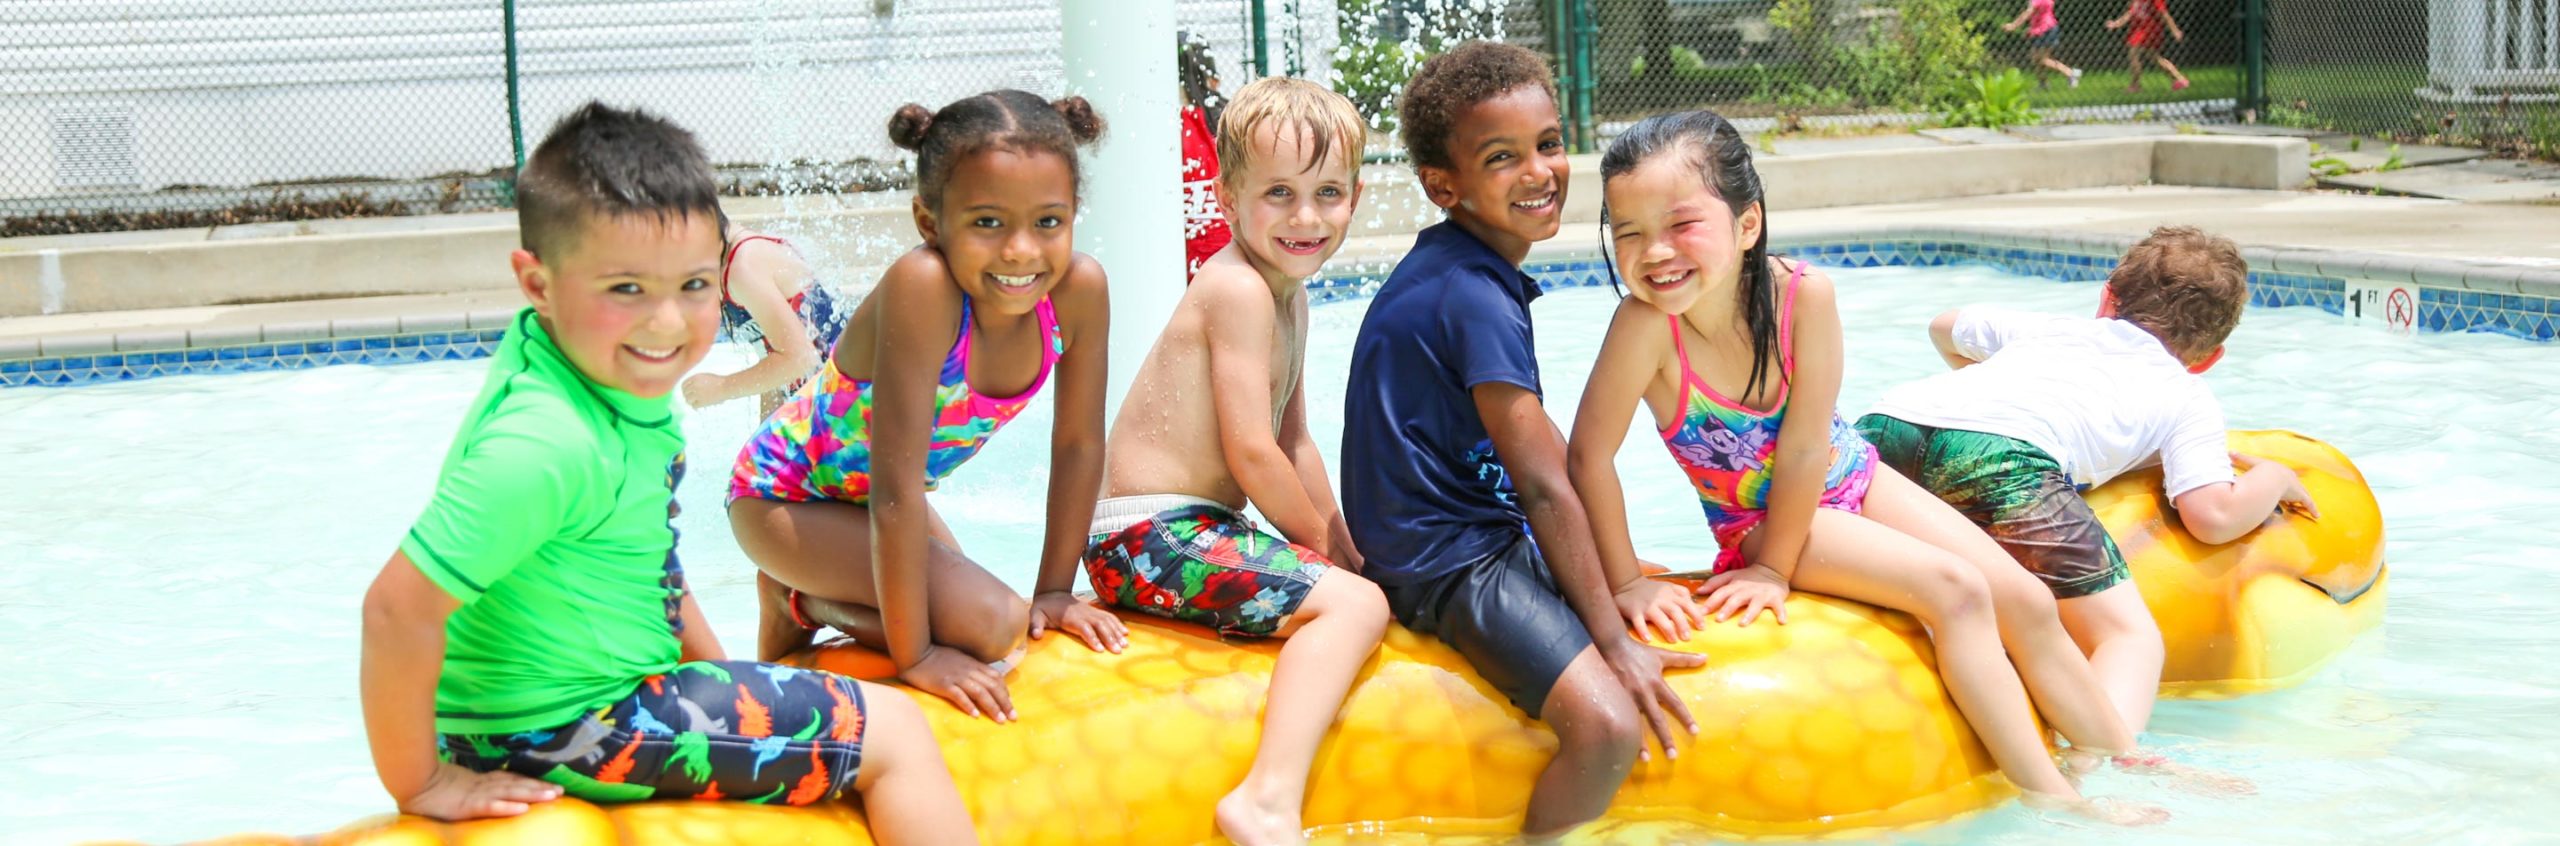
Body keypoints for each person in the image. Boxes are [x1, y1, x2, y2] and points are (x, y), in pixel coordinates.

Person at [358, 102, 971, 843]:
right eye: (625, 289)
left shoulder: (592, 375)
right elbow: (395, 609)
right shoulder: (544, 441)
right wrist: (421, 782)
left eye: (692, 286)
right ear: (537, 283)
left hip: (560, 709)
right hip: (569, 727)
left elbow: (651, 567)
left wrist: (728, 680)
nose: (667, 323)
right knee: (900, 734)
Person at [1563, 108, 2167, 826]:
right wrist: (1642, 577)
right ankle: (2057, 799)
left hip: (1854, 476)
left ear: (1747, 223)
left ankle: (2121, 754)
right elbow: (1588, 455)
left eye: (1680, 224)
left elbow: (1811, 443)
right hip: (1762, 522)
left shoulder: (1802, 297)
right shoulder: (1645, 328)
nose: (1653, 251)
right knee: (1959, 593)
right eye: (1628, 232)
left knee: (2030, 601)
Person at [1338, 41, 1705, 837]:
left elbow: (1536, 457)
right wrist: (1612, 639)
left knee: (1642, 582)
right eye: (1502, 158)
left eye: (1547, 143)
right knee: (1608, 729)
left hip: (1464, 534)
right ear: (1445, 185)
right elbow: (1542, 483)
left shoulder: (1461, 267)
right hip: (1447, 563)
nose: (1539, 171)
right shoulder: (1472, 295)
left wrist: (1619, 581)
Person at [728, 90, 1126, 723]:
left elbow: (1078, 443)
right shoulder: (926, 286)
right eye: (988, 222)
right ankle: (796, 601)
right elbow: (894, 491)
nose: (1021, 250)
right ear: (930, 222)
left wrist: (1055, 589)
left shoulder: (1079, 290)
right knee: (992, 624)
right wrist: (915, 657)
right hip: (785, 499)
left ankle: (809, 597)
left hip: (872, 500)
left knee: (1007, 615)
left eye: (1048, 221)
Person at [1857, 225, 2313, 738]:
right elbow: (2212, 516)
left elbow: (1944, 325)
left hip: (1881, 428)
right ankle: (2103, 760)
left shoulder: (2050, 330)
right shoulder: (2185, 393)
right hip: (2000, 461)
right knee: (2128, 637)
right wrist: (2274, 477)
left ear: (2106, 299)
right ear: (2209, 359)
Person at [1087, 76, 1390, 846]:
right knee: (1356, 608)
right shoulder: (1239, 292)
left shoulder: (1290, 293)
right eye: (1279, 193)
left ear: (1354, 197)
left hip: (1183, 532)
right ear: (1227, 199)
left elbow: (1295, 442)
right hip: (1148, 537)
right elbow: (1252, 453)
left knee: (1363, 581)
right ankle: (1265, 799)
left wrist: (1344, 543)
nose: (1306, 217)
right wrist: (1338, 570)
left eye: (1327, 192)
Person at [680, 212, 850, 417]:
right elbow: (776, 363)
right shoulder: (728, 258)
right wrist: (762, 433)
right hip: (831, 397)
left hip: (850, 400)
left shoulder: (744, 268)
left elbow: (800, 359)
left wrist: (722, 387)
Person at [1180, 33, 1234, 280]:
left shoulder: (1167, 129)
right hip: (1237, 256)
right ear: (1212, 78)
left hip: (1188, 263)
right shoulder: (1231, 117)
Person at [2107, 0, 2190, 92]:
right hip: (2139, 29)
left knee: (2134, 53)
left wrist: (2175, 30)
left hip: (2149, 29)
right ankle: (2179, 79)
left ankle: (2135, 85)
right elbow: (2130, 13)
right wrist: (2116, 24)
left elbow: (2164, 14)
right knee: (2155, 58)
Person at [2003, 0, 2084, 89]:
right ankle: (2043, 83)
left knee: (2042, 60)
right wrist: (2032, 29)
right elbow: (2038, 13)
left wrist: (2013, 25)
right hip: (2042, 29)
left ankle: (2071, 73)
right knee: (2036, 59)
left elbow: (2028, 12)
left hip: (2046, 29)